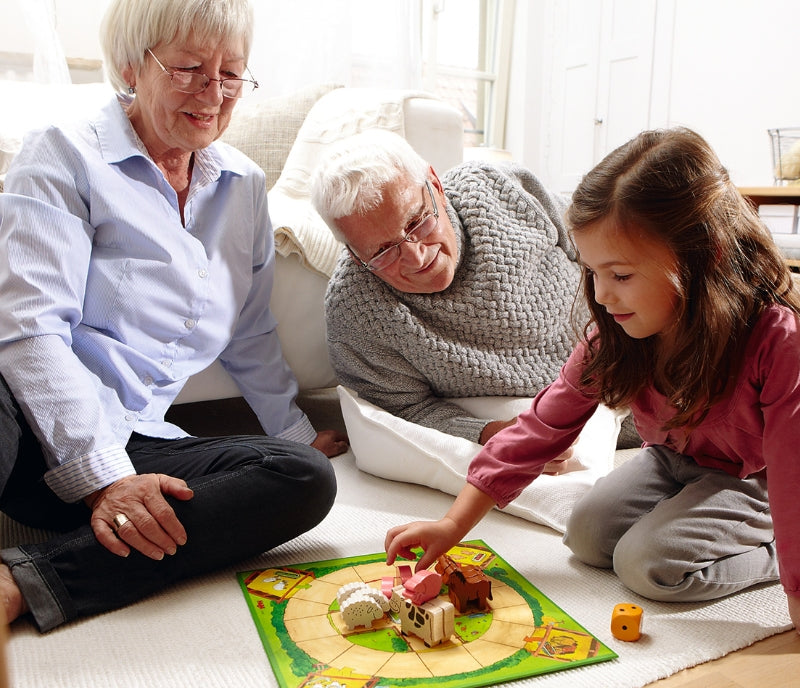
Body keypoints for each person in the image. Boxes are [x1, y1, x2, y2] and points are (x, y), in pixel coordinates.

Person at [0, 0, 347, 633]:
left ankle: (28, 581)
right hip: (28, 422)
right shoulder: (63, 156)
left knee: (305, 479)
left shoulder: (242, 185)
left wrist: (296, 433)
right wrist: (103, 480)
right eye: (189, 68)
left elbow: (249, 332)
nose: (213, 93)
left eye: (231, 73)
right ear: (132, 68)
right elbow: (29, 329)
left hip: (136, 436)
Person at [384, 127, 800, 633]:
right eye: (593, 273)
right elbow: (538, 429)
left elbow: (791, 474)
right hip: (671, 460)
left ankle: (772, 552)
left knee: (648, 567)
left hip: (754, 478)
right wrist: (453, 525)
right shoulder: (620, 334)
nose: (602, 296)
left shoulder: (775, 337)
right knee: (586, 534)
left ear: (702, 256)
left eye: (621, 276)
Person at [312, 129, 597, 458]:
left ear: (435, 185)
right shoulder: (355, 313)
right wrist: (488, 433)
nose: (417, 257)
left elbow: (589, 240)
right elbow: (405, 411)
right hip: (576, 419)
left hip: (633, 341)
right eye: (382, 251)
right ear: (353, 253)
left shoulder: (492, 186)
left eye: (417, 222)